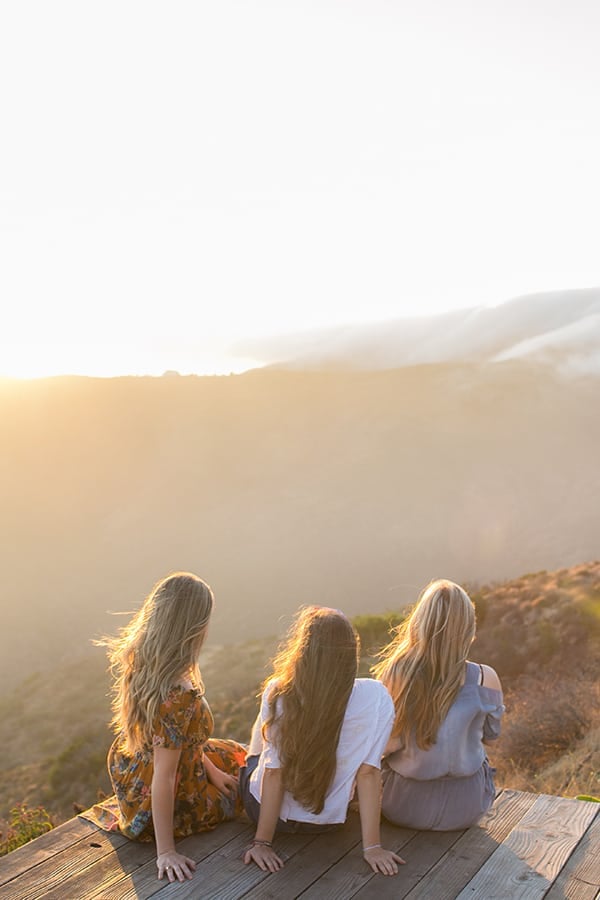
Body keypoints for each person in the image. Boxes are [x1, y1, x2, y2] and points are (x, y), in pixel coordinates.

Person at [81, 572, 247, 883]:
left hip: (137, 764)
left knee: (239, 756)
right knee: (249, 786)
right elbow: (165, 775)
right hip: (163, 785)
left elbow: (181, 742)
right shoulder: (177, 692)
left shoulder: (146, 657)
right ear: (194, 626)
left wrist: (214, 771)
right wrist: (166, 851)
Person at [239, 605, 405, 877]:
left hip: (267, 815)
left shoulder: (281, 692)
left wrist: (262, 842)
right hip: (327, 821)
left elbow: (273, 775)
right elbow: (369, 774)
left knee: (259, 744)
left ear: (303, 653)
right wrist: (372, 847)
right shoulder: (376, 698)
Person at [372, 579, 504, 831]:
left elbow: (387, 744)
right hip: (467, 808)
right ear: (467, 626)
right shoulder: (486, 677)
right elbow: (492, 737)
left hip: (403, 806)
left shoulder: (396, 673)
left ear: (419, 622)